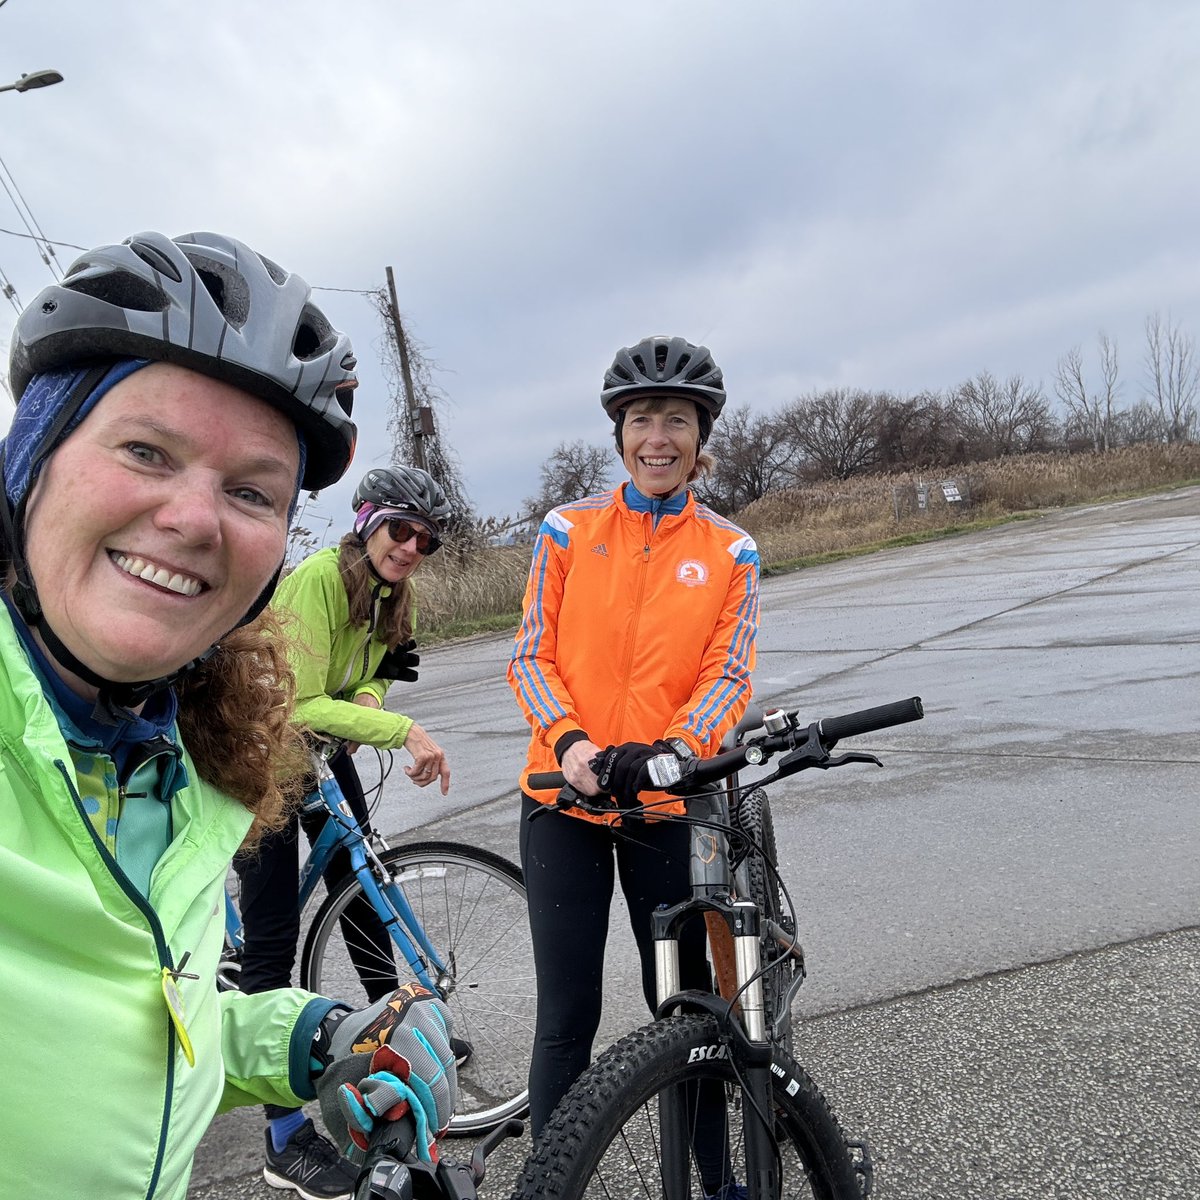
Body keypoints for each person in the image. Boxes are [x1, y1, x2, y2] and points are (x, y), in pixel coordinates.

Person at [0, 231, 456, 1200]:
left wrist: (317, 1036)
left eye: (251, 490)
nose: (198, 519)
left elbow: (148, 1019)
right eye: (145, 449)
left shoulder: (179, 759)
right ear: (29, 464)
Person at [507, 335, 761, 1156]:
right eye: (642, 418)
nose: (658, 436)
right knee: (567, 1017)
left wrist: (676, 751)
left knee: (688, 1014)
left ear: (700, 437)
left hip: (664, 802)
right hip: (563, 800)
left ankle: (716, 1181)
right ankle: (552, 1179)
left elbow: (729, 674)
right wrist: (572, 743)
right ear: (619, 433)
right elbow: (530, 654)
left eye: (677, 420)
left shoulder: (730, 550)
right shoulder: (566, 531)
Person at [235, 463, 465, 1189]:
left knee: (361, 891)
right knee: (273, 939)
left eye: (426, 540)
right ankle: (282, 1137)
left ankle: (394, 1039)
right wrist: (398, 730)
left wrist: (369, 705)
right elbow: (298, 700)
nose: (411, 548)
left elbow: (370, 676)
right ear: (368, 522)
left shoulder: (395, 597)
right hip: (265, 751)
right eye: (402, 530)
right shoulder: (319, 581)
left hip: (321, 752)